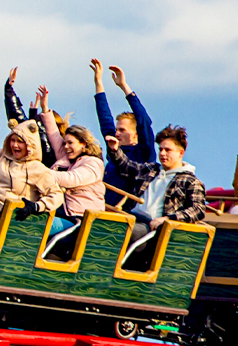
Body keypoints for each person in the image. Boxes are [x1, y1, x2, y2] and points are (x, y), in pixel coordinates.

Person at [106, 125, 207, 268]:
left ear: (181, 153)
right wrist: (115, 150)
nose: (162, 154)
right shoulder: (152, 170)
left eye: (168, 150)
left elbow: (198, 209)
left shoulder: (190, 181)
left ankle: (107, 267)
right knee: (103, 225)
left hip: (153, 229)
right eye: (160, 149)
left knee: (123, 231)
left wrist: (167, 219)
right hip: (132, 217)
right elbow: (127, 167)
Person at [0, 115, 63, 249]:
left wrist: (36, 206)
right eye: (12, 140)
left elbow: (57, 195)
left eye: (20, 142)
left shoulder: (37, 169)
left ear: (30, 145)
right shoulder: (3, 156)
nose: (15, 145)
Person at [37, 88, 106, 258]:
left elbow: (72, 179)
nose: (66, 147)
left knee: (37, 224)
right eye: (65, 143)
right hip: (64, 214)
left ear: (83, 144)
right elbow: (53, 135)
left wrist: (40, 174)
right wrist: (45, 109)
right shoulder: (69, 159)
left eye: (70, 143)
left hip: (81, 222)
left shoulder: (94, 163)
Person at [91, 60, 155, 199]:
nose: (117, 133)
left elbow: (143, 121)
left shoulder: (143, 154)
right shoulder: (114, 148)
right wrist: (98, 82)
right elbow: (105, 118)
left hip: (126, 209)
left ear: (136, 134)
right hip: (103, 206)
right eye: (117, 129)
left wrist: (124, 86)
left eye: (122, 130)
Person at [4, 68, 56, 166]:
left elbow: (46, 139)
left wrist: (37, 116)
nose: (15, 145)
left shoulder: (55, 156)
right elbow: (20, 125)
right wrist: (8, 90)